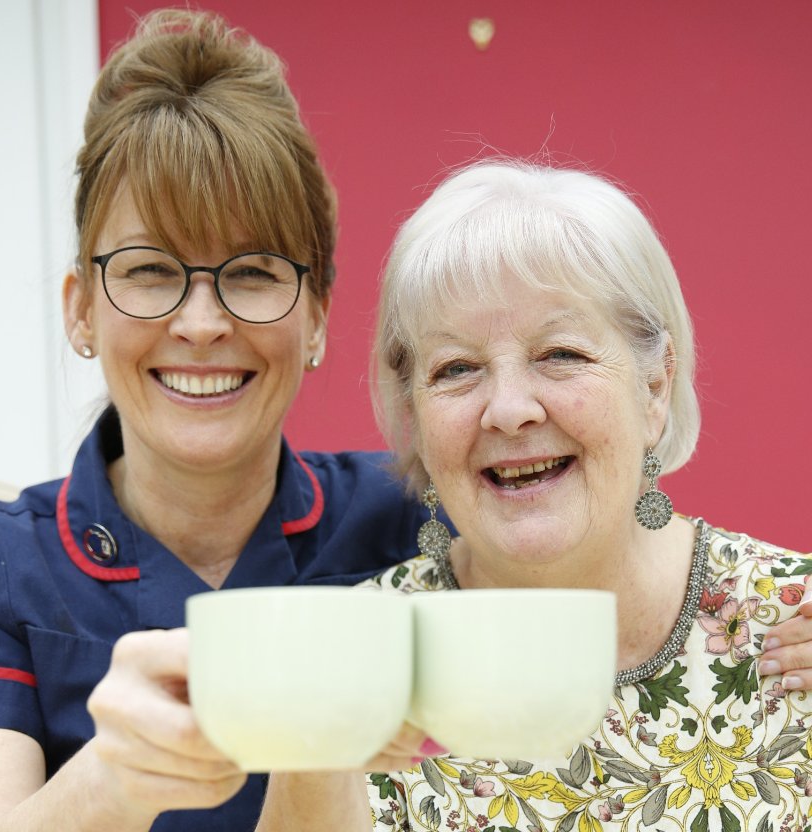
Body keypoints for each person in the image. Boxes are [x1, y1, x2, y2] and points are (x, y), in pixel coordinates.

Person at [0, 10, 443, 832]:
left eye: (254, 272)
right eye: (151, 270)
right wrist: (112, 784)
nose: (201, 324)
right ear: (81, 310)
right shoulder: (1, 567)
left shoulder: (413, 520)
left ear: (317, 315)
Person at [255, 160, 812, 832]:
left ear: (654, 387)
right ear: (414, 416)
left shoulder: (793, 615)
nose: (509, 410)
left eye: (560, 355)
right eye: (457, 368)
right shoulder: (352, 654)